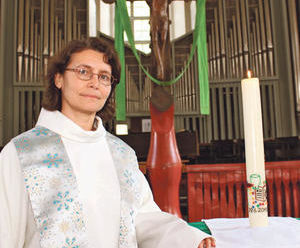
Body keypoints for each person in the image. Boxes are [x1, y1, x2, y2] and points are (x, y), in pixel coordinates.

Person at [0, 37, 216, 248]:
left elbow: (143, 219)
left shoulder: (122, 154)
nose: (95, 83)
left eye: (104, 77)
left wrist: (188, 238)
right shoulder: (22, 153)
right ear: (58, 78)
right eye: (83, 72)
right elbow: (5, 233)